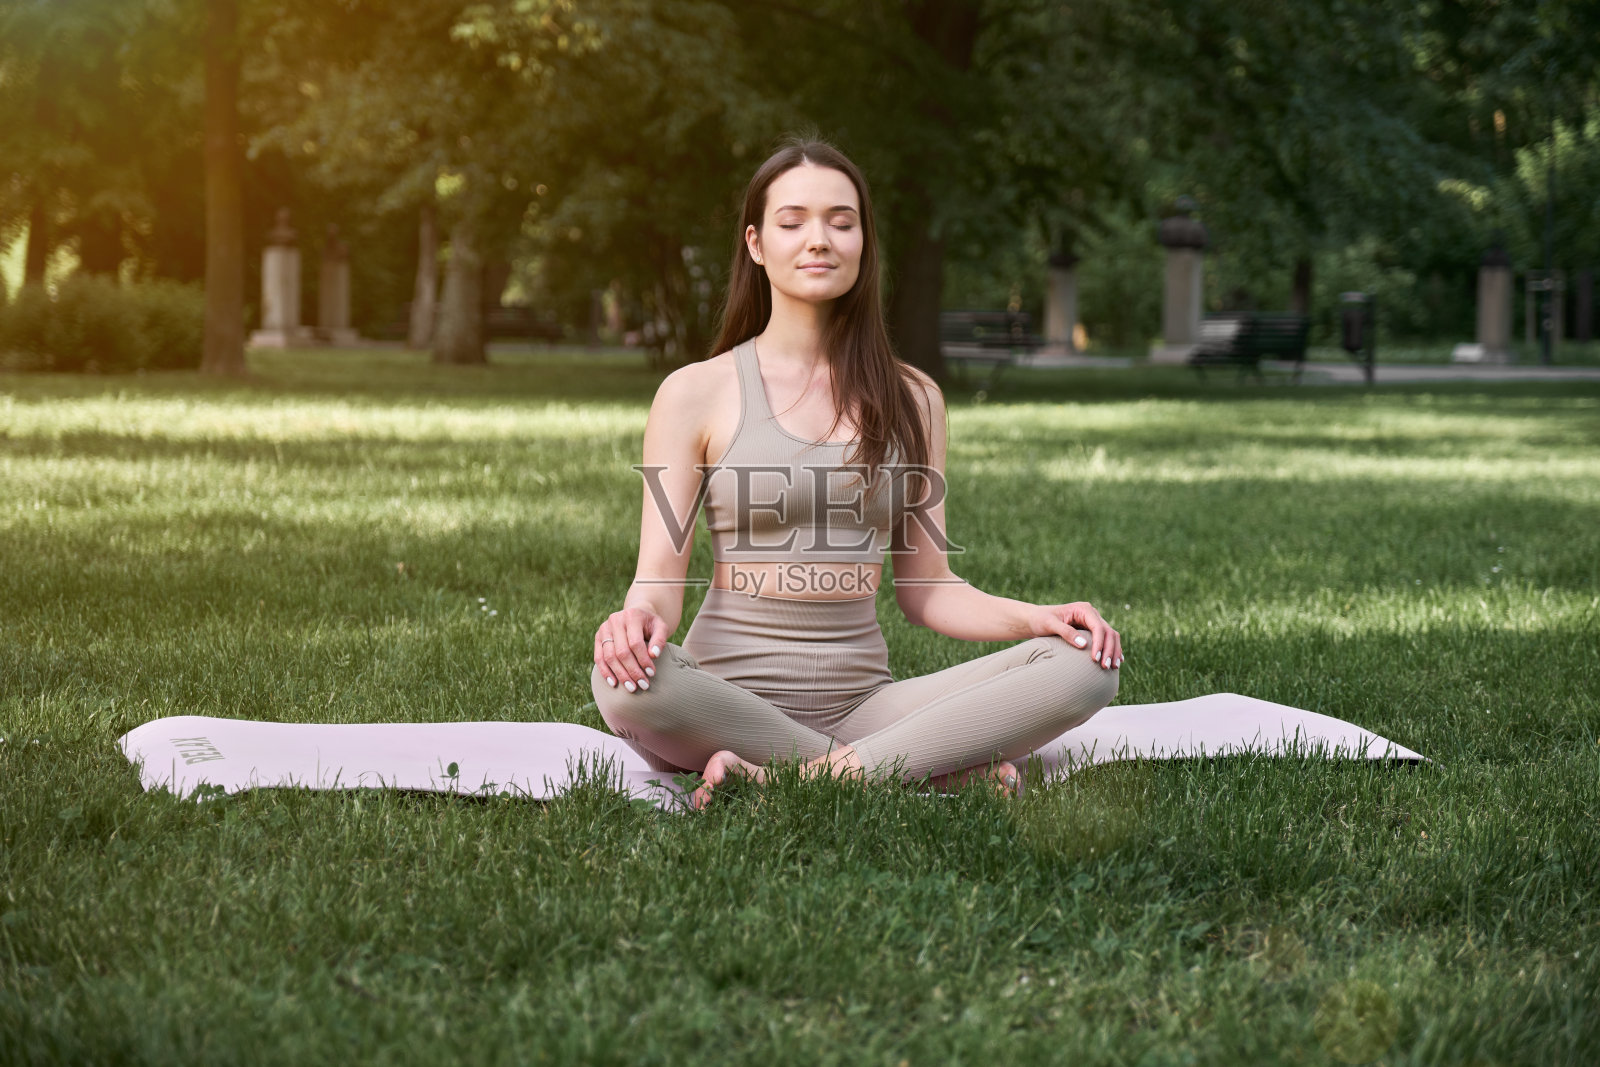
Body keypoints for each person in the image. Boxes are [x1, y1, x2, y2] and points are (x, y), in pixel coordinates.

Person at [591, 136, 1121, 810]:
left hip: (868, 704)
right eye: (793, 222)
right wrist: (634, 622)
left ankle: (791, 778)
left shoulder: (914, 398)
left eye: (842, 222)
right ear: (756, 244)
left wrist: (1037, 619)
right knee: (625, 683)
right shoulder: (695, 392)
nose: (819, 239)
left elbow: (927, 588)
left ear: (864, 241)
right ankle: (916, 773)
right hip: (723, 699)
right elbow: (660, 578)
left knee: (1085, 667)